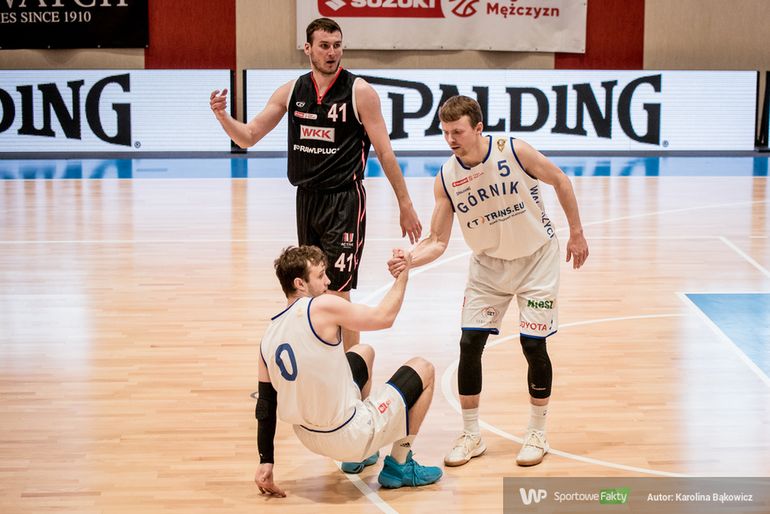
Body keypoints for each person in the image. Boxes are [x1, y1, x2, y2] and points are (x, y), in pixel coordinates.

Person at [388, 95, 589, 468]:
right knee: (469, 344)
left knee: (533, 344)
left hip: (536, 260)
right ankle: (471, 435)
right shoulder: (447, 177)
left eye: (458, 131)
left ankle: (537, 432)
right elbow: (437, 240)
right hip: (488, 267)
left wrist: (576, 232)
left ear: (478, 128)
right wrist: (410, 260)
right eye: (445, 132)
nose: (451, 139)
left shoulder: (513, 151)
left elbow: (560, 180)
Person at [210, 17, 422, 352]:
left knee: (338, 292)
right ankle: (322, 359)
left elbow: (385, 152)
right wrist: (223, 116)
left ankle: (352, 372)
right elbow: (248, 137)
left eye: (337, 46)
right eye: (324, 46)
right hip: (307, 199)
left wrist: (405, 204)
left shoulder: (360, 92)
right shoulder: (292, 91)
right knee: (312, 288)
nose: (332, 52)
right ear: (308, 48)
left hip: (344, 202)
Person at [255, 245, 442, 496]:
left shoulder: (268, 336)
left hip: (308, 437)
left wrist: (265, 460)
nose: (328, 281)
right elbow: (384, 317)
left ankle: (359, 459)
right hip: (347, 435)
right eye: (320, 275)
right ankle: (400, 465)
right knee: (424, 368)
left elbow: (265, 405)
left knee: (363, 351)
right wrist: (403, 273)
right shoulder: (320, 306)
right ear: (300, 284)